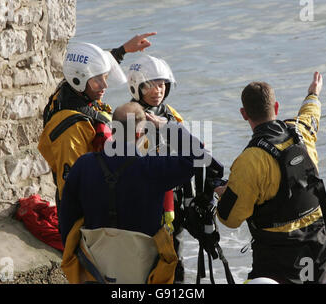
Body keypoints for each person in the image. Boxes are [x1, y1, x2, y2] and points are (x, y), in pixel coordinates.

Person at [58, 102, 209, 284]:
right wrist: (169, 127)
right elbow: (199, 154)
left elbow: (67, 217)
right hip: (143, 267)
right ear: (140, 133)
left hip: (95, 264)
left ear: (113, 128)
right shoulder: (152, 168)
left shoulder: (83, 165)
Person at [215, 72, 326, 284]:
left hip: (278, 255)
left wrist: (222, 195)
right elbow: (311, 115)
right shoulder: (301, 132)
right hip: (318, 242)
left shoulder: (249, 161)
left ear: (244, 114)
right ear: (277, 107)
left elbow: (231, 219)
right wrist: (313, 94)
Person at [38, 33, 156, 216]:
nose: (104, 86)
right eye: (97, 81)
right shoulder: (70, 129)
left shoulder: (72, 89)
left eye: (106, 77)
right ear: (79, 81)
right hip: (88, 214)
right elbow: (72, 187)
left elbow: (92, 66)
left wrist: (123, 50)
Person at [127, 55, 191, 282]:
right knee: (146, 260)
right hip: (144, 201)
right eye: (150, 85)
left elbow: (191, 150)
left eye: (162, 84)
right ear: (137, 86)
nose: (158, 90)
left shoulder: (172, 115)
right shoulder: (128, 117)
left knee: (175, 258)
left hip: (174, 200)